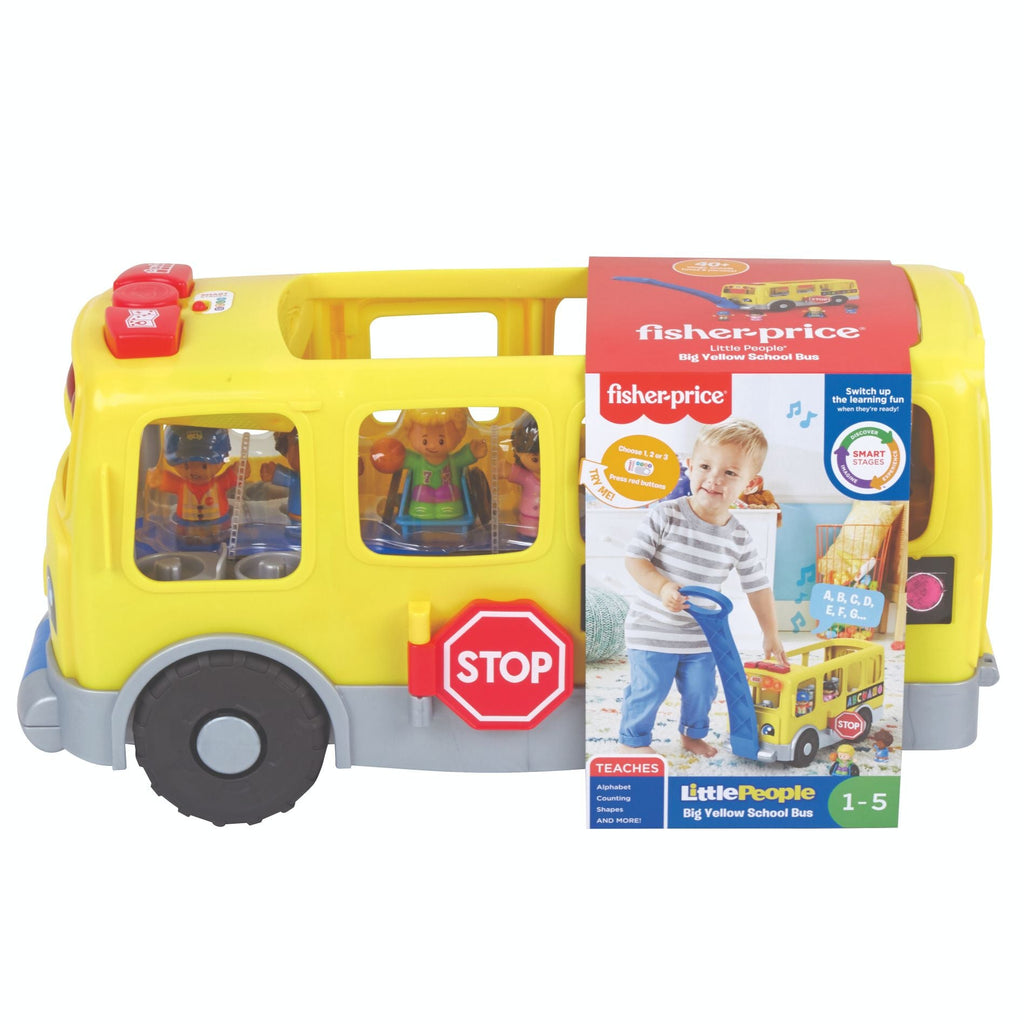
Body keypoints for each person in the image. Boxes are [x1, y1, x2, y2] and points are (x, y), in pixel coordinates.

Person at [618, 419, 785, 758]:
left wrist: (771, 633)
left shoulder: (739, 536)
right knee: (650, 688)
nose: (714, 478)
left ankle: (692, 735)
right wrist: (663, 587)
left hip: (702, 635)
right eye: (706, 467)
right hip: (653, 630)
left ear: (751, 483)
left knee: (702, 691)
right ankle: (633, 741)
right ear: (690, 466)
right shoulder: (664, 514)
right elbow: (635, 560)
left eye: (730, 473)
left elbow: (757, 586)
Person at [370, 408, 486, 519]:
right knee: (422, 492)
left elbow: (462, 457)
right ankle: (423, 506)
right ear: (409, 434)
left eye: (441, 441)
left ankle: (448, 506)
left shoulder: (452, 462)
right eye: (425, 441)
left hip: (450, 502)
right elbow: (400, 457)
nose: (432, 446)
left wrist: (473, 451)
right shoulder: (416, 461)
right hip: (421, 502)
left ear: (459, 434)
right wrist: (387, 454)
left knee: (448, 492)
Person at [147, 426, 248, 542]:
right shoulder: (180, 485)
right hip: (185, 525)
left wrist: (240, 470)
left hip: (218, 524)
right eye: (186, 466)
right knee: (181, 540)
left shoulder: (220, 483)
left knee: (221, 538)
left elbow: (234, 476)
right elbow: (165, 480)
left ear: (222, 461)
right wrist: (157, 478)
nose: (195, 471)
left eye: (204, 466)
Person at [503, 412, 540, 536]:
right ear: (518, 453)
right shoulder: (527, 477)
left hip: (554, 520)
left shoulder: (558, 478)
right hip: (527, 520)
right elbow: (507, 470)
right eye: (535, 459)